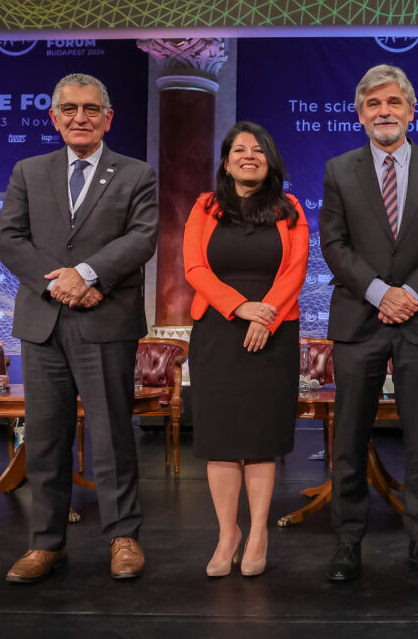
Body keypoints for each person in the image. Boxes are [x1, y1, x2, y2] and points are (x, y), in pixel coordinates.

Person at [0, 73, 158, 583]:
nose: (80, 117)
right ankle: (46, 545)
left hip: (106, 320)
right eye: (69, 109)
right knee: (44, 438)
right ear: (54, 117)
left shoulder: (136, 174)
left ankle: (123, 538)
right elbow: (10, 239)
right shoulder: (29, 170)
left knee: (112, 435)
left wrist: (87, 275)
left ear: (109, 117)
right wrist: (57, 285)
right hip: (43, 323)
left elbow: (142, 237)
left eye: (91, 109)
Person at [319, 64, 418, 581]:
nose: (384, 112)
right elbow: (334, 245)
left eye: (393, 103)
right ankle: (347, 542)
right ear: (360, 115)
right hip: (359, 320)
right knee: (349, 438)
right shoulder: (339, 169)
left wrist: (411, 294)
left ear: (410, 108)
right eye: (373, 105)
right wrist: (382, 292)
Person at [183, 121, 308, 578]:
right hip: (218, 329)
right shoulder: (206, 206)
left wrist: (266, 313)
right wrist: (240, 308)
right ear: (226, 160)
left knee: (259, 439)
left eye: (258, 149)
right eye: (239, 149)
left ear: (270, 159)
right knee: (220, 439)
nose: (248, 156)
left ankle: (257, 533)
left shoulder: (289, 207)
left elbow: (295, 270)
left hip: (274, 331)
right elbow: (194, 267)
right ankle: (226, 533)